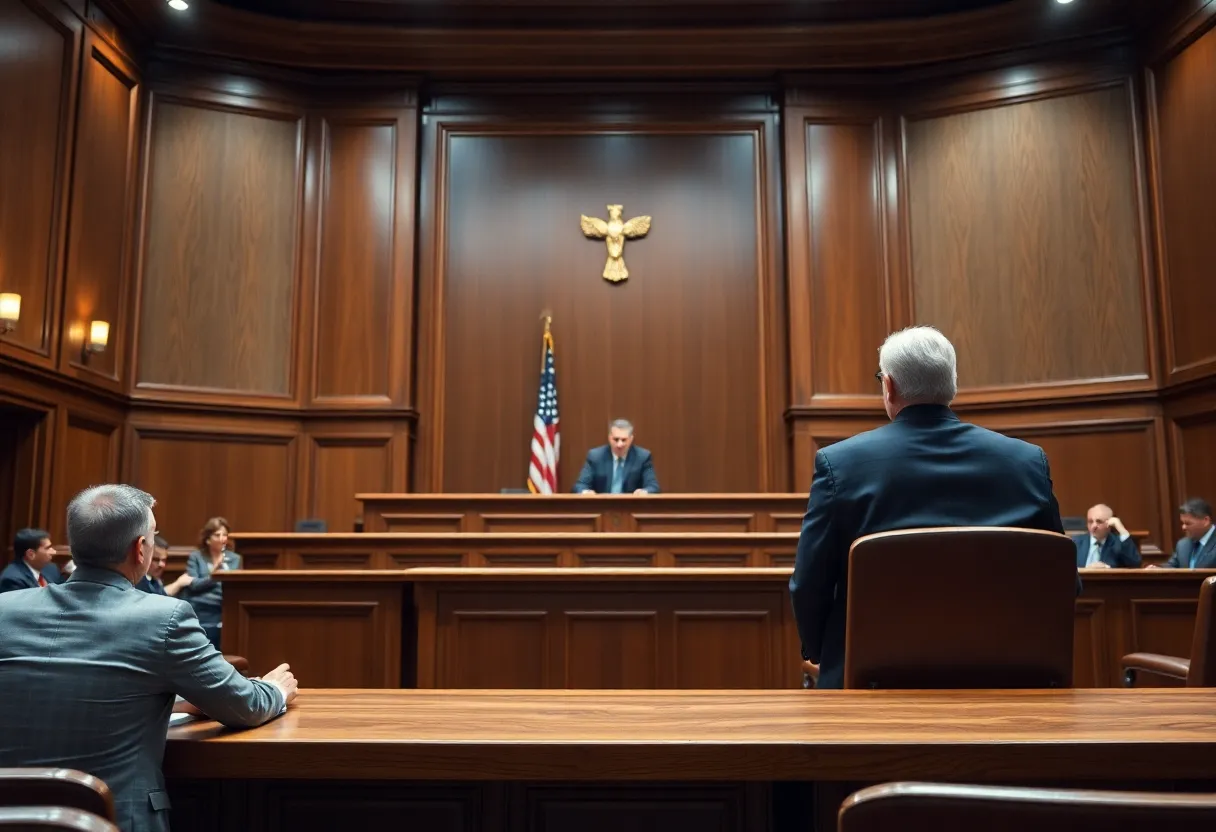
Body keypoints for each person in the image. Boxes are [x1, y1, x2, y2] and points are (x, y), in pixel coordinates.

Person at [0, 484, 297, 832]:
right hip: (115, 820)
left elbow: (61, 688)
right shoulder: (164, 618)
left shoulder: (6, 609)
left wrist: (173, 703)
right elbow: (245, 705)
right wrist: (274, 689)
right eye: (153, 535)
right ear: (140, 549)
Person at [789, 326, 1067, 690]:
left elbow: (810, 584)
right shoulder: (1027, 462)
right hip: (1005, 685)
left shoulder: (839, 465)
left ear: (888, 386)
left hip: (873, 687)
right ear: (953, 384)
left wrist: (821, 652)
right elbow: (1063, 582)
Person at [184, 517, 240, 647]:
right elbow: (193, 585)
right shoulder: (196, 557)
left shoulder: (235, 559)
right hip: (201, 608)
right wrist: (214, 575)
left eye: (225, 535)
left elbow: (236, 587)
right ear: (208, 539)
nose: (222, 538)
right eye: (217, 535)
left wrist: (207, 583)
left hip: (224, 606)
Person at [573, 419, 660, 494]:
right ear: (609, 438)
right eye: (616, 439)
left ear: (631, 439)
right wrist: (586, 492)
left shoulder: (642, 457)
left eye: (624, 440)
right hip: (602, 508)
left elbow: (653, 487)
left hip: (630, 508)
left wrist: (644, 492)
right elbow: (579, 486)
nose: (619, 444)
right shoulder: (595, 456)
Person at [1151, 498, 1216, 569]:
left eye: (1188, 523)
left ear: (1205, 521)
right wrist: (1157, 569)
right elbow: (1172, 567)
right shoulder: (1183, 544)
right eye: (1182, 523)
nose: (1183, 527)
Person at [1074, 504, 1141, 569]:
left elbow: (1135, 565)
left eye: (1099, 521)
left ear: (1109, 524)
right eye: (1090, 521)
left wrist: (1122, 529)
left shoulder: (1118, 544)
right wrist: (1086, 570)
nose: (1093, 526)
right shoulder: (1076, 543)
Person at [0, 528, 63, 592]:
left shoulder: (51, 568)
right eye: (47, 548)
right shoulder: (13, 580)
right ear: (31, 554)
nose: (54, 552)